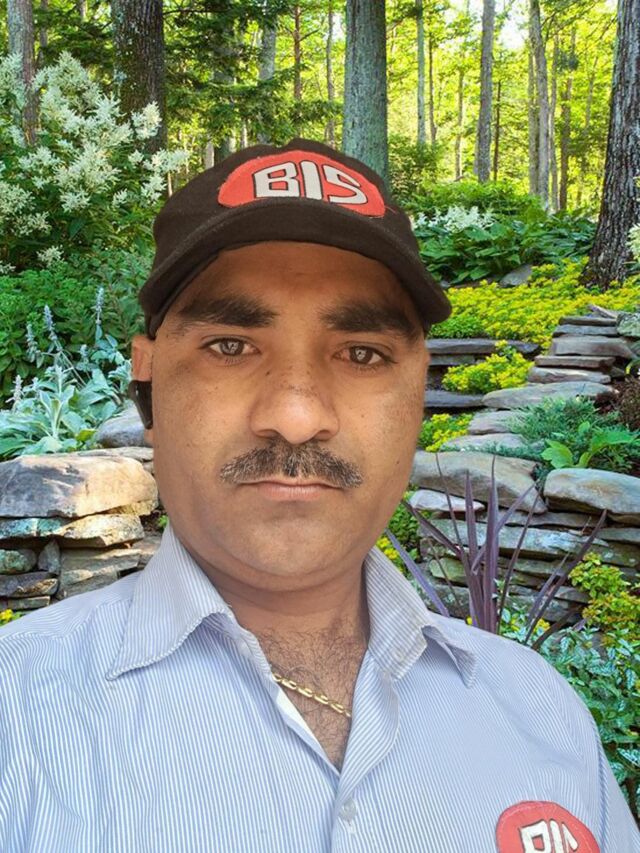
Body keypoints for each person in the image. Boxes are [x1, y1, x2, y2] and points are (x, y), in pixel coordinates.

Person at [0, 138, 638, 853]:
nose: (297, 415)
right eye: (230, 346)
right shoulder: (15, 719)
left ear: (417, 391)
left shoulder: (541, 713)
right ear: (146, 380)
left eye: (362, 354)